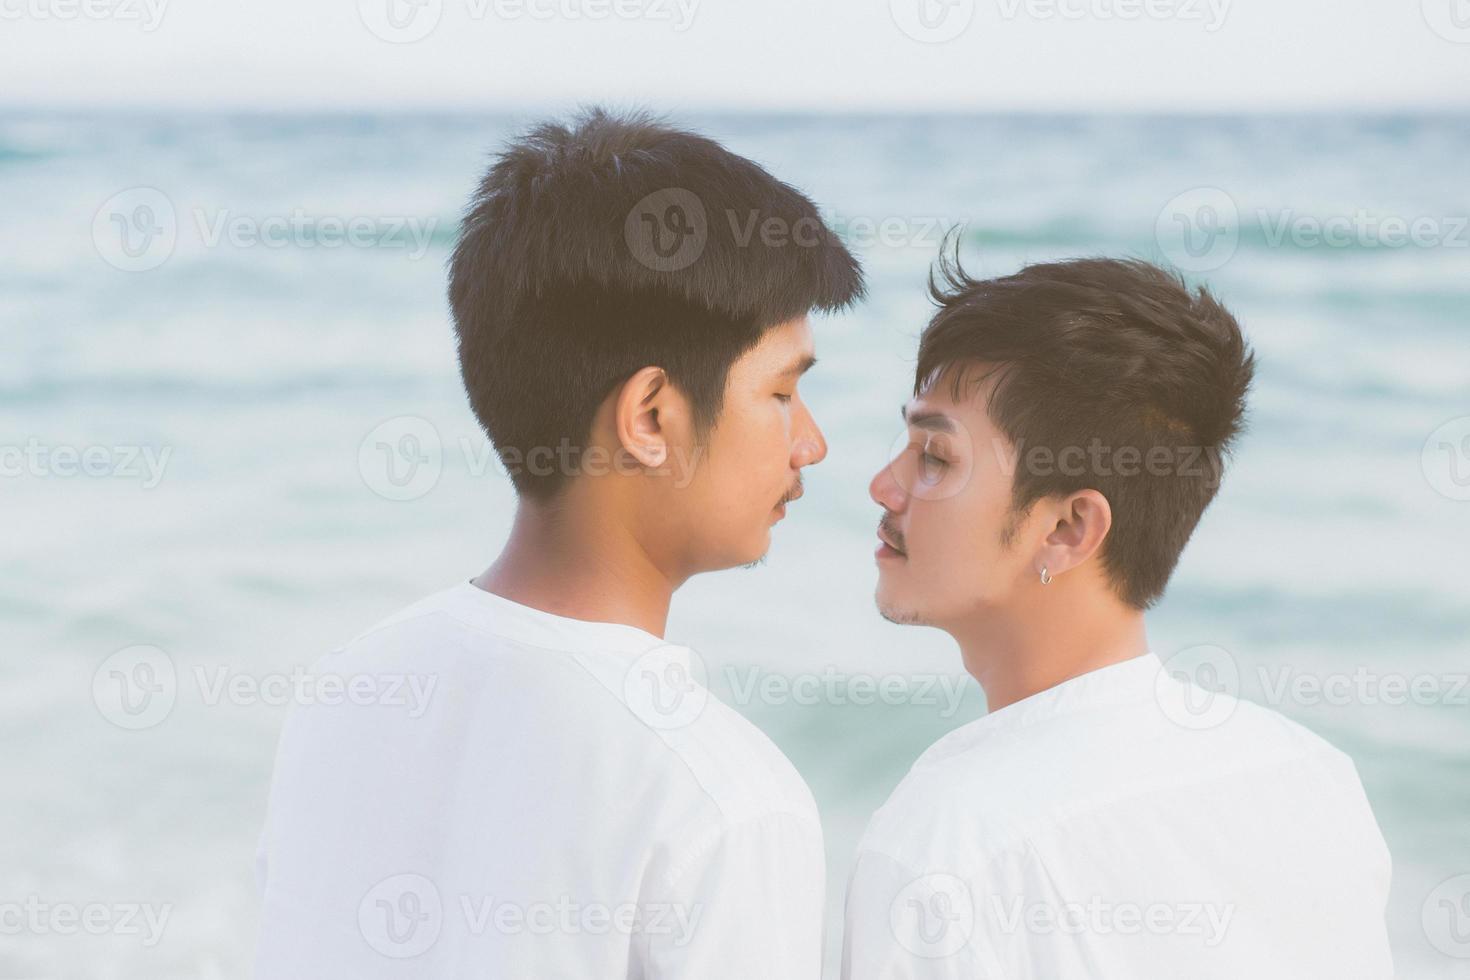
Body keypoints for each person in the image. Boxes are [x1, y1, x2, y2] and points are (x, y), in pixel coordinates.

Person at [254, 107, 863, 978]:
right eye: (780, 395)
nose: (811, 443)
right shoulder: (718, 798)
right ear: (652, 416)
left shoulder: (347, 690)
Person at [842, 245, 1393, 979]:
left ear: (1069, 529)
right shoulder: (1312, 778)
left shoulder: (946, 844)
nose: (885, 485)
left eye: (934, 457)